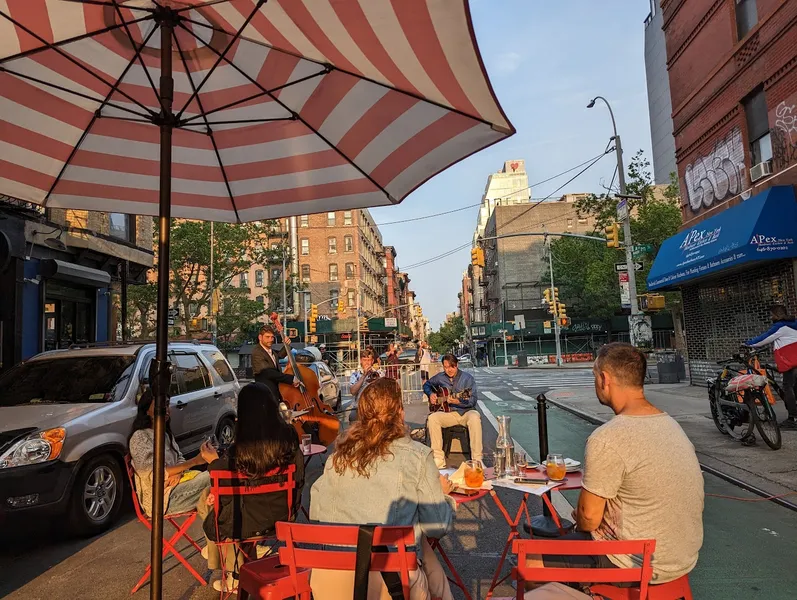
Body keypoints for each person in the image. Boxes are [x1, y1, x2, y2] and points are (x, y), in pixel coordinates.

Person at [529, 343, 704, 586]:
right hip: (682, 558)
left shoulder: (608, 437)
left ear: (604, 379)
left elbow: (588, 519)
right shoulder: (672, 426)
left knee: (530, 562)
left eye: (594, 375)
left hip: (634, 561)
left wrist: (582, 517)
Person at [310, 378, 456, 600]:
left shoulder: (337, 458)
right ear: (400, 412)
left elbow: (316, 513)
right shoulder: (416, 456)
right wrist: (444, 496)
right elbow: (436, 526)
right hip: (389, 584)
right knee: (416, 532)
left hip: (328, 581)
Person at [204, 383, 305, 593]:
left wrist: (213, 461)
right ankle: (238, 563)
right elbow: (300, 478)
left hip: (242, 523)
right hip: (282, 516)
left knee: (212, 501)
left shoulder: (236, 451)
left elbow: (222, 487)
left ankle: (235, 570)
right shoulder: (289, 438)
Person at [128, 390, 220, 565]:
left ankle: (221, 541)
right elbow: (154, 475)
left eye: (167, 404)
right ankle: (220, 541)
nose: (166, 408)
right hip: (160, 499)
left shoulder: (164, 433)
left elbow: (179, 459)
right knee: (213, 478)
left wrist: (178, 472)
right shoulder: (140, 437)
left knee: (214, 491)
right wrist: (194, 462)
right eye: (161, 404)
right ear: (147, 409)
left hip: (175, 486)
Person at [423, 354, 482, 469]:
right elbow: (427, 385)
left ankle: (477, 460)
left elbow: (473, 400)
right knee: (433, 418)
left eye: (451, 367)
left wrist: (458, 402)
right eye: (446, 367)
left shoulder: (467, 378)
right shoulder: (440, 377)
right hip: (449, 413)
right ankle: (438, 459)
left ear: (457, 365)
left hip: (466, 412)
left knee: (475, 417)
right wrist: (431, 394)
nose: (449, 370)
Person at [745, 304, 797, 430]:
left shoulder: (781, 326)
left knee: (788, 388)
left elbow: (764, 338)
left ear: (776, 314)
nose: (770, 317)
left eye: (771, 314)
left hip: (792, 363)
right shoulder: (794, 323)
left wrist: (747, 343)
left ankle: (793, 419)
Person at [252, 325, 300, 402]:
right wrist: (291, 379)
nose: (270, 339)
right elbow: (268, 372)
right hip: (266, 394)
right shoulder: (257, 352)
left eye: (272, 337)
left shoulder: (270, 351)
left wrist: (286, 345)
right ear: (260, 337)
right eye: (267, 337)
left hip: (275, 393)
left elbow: (279, 356)